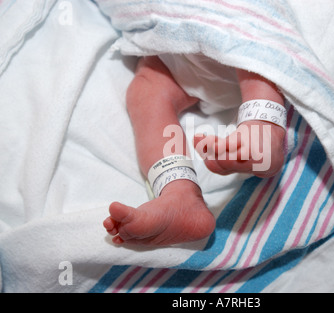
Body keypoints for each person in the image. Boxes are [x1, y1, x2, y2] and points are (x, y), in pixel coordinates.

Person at [103, 54, 288, 245]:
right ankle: (180, 194)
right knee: (145, 92)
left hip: (232, 38)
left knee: (256, 55)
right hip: (171, 55)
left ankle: (263, 131)